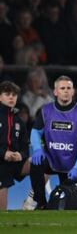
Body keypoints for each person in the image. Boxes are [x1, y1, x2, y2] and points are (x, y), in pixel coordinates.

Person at [29, 76, 77, 209]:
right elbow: (35, 131)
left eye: (68, 88)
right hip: (52, 159)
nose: (65, 91)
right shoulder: (45, 111)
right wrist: (37, 149)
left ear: (73, 91)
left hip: (72, 163)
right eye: (62, 88)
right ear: (55, 92)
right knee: (35, 164)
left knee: (73, 204)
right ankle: (40, 202)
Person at [0, 81, 29, 210]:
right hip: (0, 164)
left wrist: (20, 155)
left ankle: (30, 201)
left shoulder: (19, 121)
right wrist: (3, 154)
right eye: (7, 94)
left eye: (14, 94)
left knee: (42, 163)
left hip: (14, 163)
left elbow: (25, 149)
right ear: (0, 97)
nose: (11, 97)